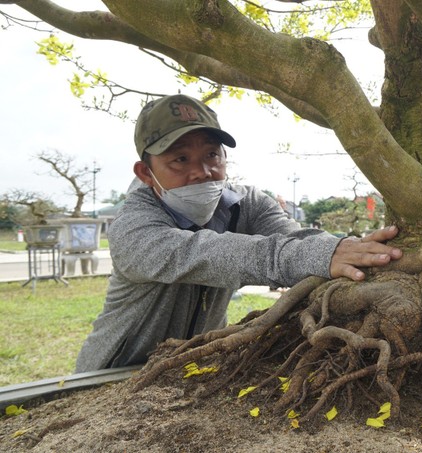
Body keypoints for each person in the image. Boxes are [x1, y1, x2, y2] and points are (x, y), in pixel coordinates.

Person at [75, 94, 402, 372]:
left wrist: (349, 250)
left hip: (190, 367)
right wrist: (312, 256)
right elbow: (203, 253)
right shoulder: (133, 228)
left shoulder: (248, 205)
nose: (202, 173)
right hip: (113, 374)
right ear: (146, 172)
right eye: (180, 159)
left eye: (211, 155)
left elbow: (295, 238)